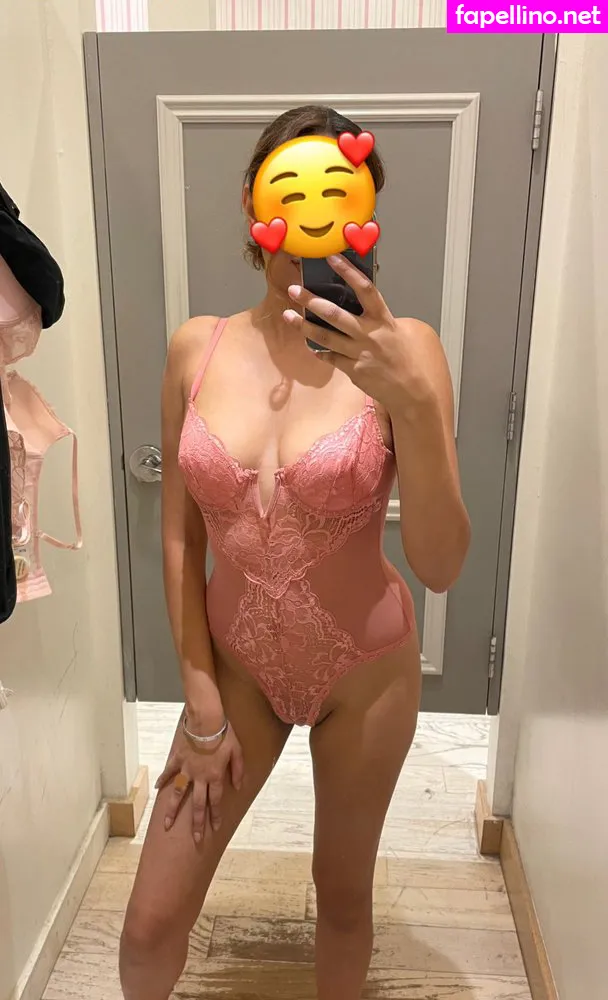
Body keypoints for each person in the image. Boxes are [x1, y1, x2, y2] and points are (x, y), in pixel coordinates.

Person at [119, 105, 471, 1000]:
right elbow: (179, 532)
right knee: (150, 922)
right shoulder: (196, 347)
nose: (312, 211)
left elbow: (440, 564)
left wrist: (414, 404)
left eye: (336, 190)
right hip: (235, 670)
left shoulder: (409, 351)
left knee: (342, 898)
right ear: (255, 201)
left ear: (363, 210)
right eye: (290, 186)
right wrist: (200, 697)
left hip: (366, 672)